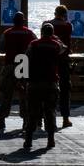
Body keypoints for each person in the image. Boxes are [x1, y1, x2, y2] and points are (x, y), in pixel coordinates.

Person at [23, 22, 63, 151]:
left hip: (35, 83)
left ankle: (28, 140)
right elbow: (64, 48)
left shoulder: (33, 44)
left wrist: (22, 79)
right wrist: (55, 38)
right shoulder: (56, 45)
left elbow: (25, 59)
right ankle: (50, 139)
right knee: (50, 112)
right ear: (52, 33)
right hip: (51, 83)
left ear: (41, 32)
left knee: (32, 112)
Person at [0, 12, 35, 132]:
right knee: (24, 94)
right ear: (23, 21)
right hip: (23, 64)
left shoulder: (7, 33)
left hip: (10, 64)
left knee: (6, 93)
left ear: (13, 21)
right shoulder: (29, 33)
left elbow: (1, 49)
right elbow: (35, 47)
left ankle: (2, 120)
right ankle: (25, 121)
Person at [44, 5, 75, 129]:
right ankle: (65, 119)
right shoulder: (68, 26)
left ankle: (44, 118)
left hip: (48, 61)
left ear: (55, 13)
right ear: (65, 14)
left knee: (46, 89)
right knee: (65, 90)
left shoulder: (46, 24)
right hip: (63, 61)